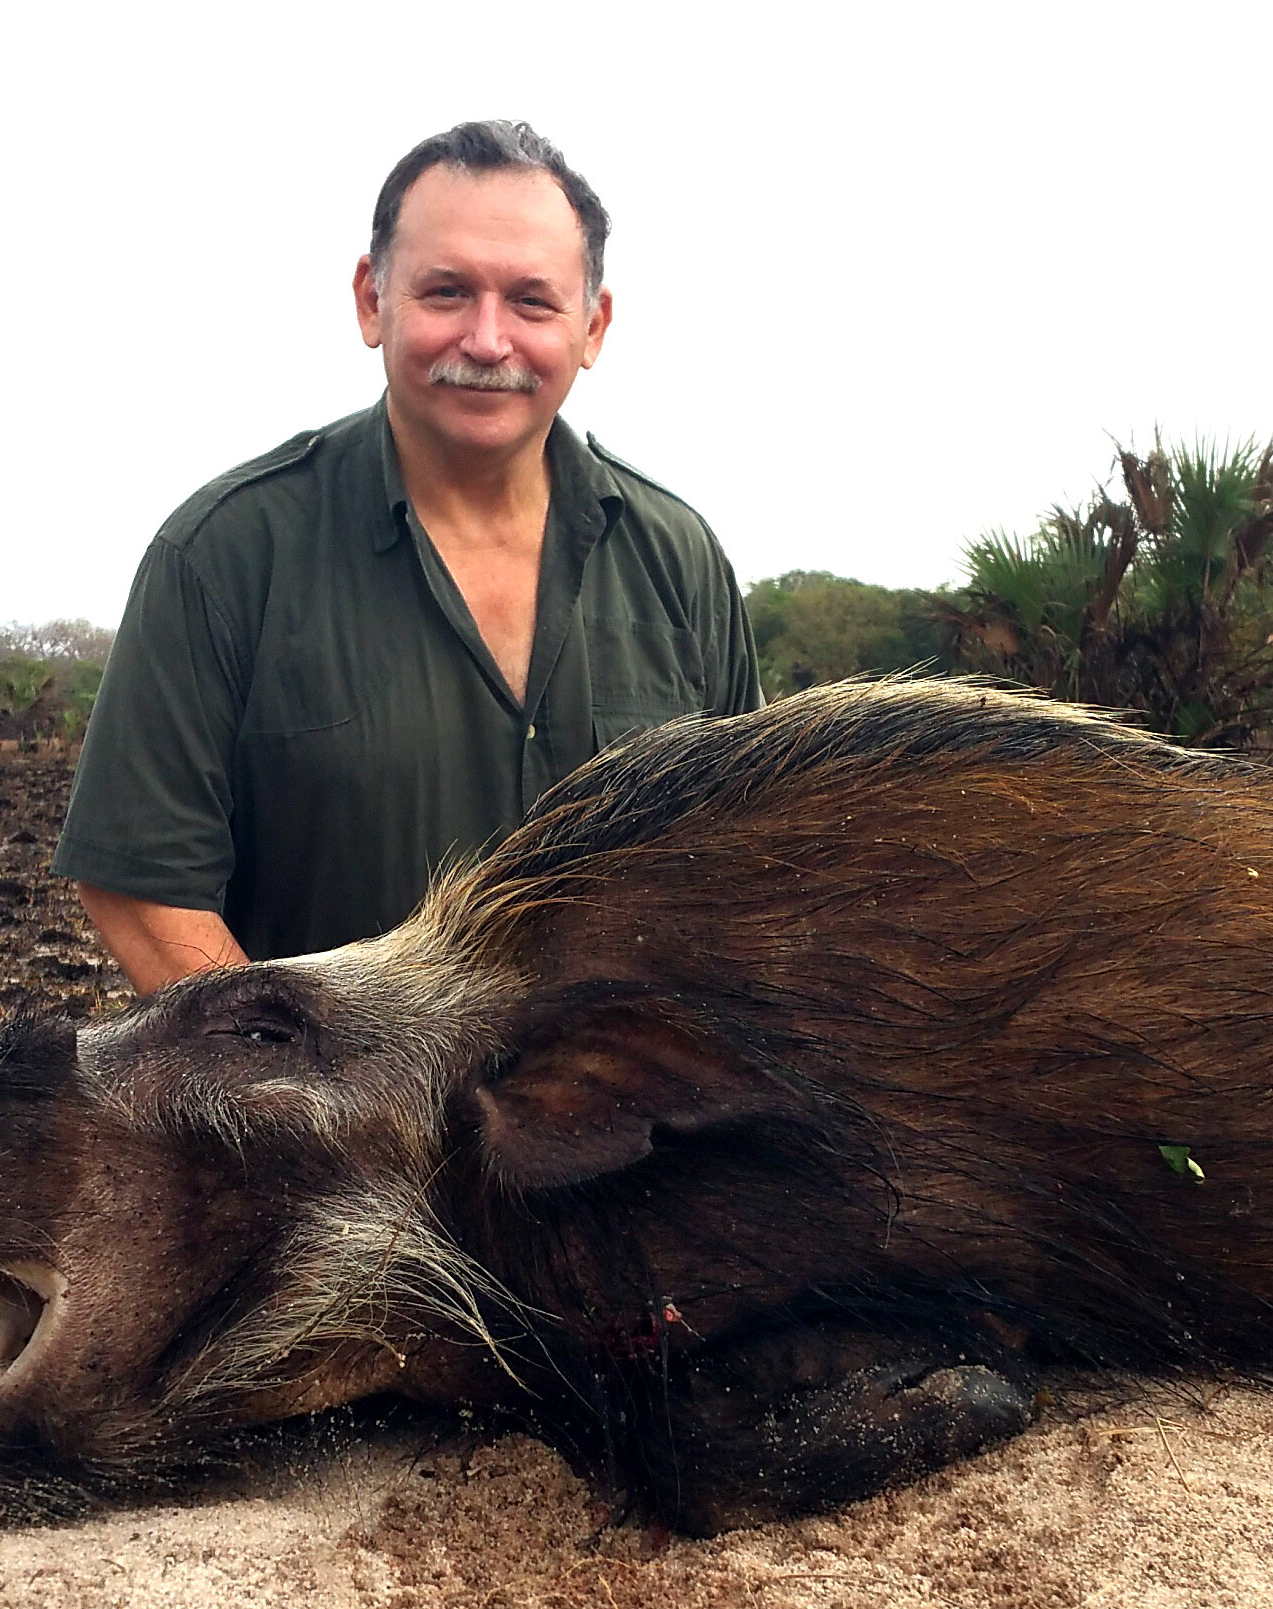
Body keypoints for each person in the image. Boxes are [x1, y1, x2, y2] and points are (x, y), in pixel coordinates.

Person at [55, 120, 760, 992]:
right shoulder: (226, 554)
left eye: (533, 302)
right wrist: (295, 1089)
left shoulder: (679, 559)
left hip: (628, 1125)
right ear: (370, 300)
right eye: (447, 292)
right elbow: (137, 886)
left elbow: (744, 873)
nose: (488, 340)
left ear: (593, 326)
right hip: (318, 1119)